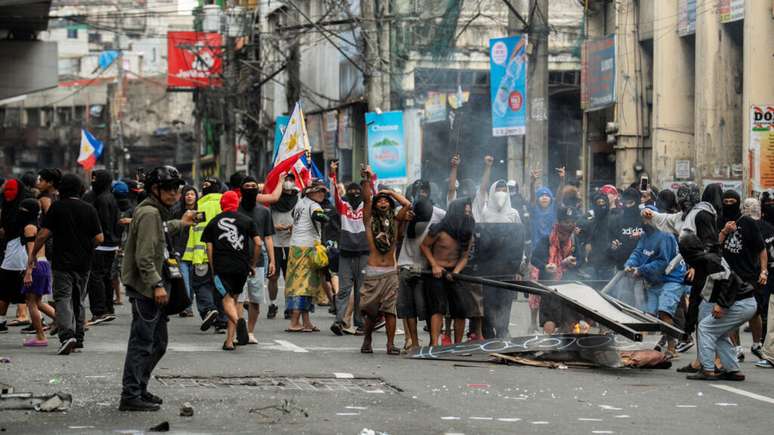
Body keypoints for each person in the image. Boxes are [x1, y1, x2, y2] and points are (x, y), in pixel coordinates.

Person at [119, 166, 194, 411]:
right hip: (148, 289)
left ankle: (139, 387)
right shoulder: (150, 213)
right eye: (169, 189)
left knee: (158, 343)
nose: (175, 194)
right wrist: (157, 285)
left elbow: (159, 234)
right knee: (142, 343)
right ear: (155, 190)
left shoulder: (154, 212)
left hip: (153, 288)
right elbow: (144, 257)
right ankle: (130, 395)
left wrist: (181, 223)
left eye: (177, 189)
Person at [27, 174, 103, 355]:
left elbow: (43, 234)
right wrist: (86, 248)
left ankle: (67, 335)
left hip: (62, 262)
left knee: (63, 299)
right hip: (84, 263)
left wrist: (33, 254)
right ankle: (79, 337)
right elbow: (99, 238)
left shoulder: (57, 208)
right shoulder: (89, 209)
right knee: (79, 299)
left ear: (62, 189)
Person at [680, 234, 757, 381]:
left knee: (705, 328)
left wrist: (721, 304)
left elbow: (729, 280)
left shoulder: (710, 260)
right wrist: (687, 329)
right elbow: (695, 299)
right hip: (744, 303)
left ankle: (707, 369)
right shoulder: (702, 264)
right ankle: (733, 370)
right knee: (717, 333)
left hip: (741, 302)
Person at [358, 166, 411, 354]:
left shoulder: (396, 221)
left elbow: (407, 205)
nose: (382, 202)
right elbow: (366, 199)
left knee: (390, 310)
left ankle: (390, 344)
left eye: (385, 200)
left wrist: (389, 191)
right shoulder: (369, 221)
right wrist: (366, 179)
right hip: (373, 272)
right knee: (371, 312)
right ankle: (367, 339)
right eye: (379, 200)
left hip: (390, 272)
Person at [624, 205, 688, 355]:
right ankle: (649, 347)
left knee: (664, 313)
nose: (644, 222)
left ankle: (672, 348)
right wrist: (629, 265)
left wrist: (640, 270)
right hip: (655, 280)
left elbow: (663, 262)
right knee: (649, 315)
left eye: (647, 218)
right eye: (643, 218)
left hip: (672, 279)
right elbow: (638, 252)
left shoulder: (665, 235)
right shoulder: (645, 235)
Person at [472, 156, 524, 339]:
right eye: (499, 189)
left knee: (505, 301)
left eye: (504, 189)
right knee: (488, 302)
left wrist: (519, 267)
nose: (501, 192)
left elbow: (519, 241)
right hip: (487, 267)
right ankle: (488, 332)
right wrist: (488, 167)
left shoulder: (514, 214)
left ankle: (503, 331)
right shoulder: (484, 210)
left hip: (508, 267)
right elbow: (482, 189)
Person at [202, 191, 260, 350]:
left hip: (222, 266)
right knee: (234, 300)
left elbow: (209, 248)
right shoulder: (247, 220)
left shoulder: (213, 222)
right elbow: (258, 243)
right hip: (242, 267)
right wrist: (252, 264)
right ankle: (229, 341)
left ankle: (239, 321)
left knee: (226, 299)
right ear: (236, 203)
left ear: (222, 204)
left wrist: (213, 269)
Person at [718, 190, 766, 362]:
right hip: (727, 276)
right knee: (731, 312)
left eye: (732, 201)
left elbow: (762, 248)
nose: (729, 204)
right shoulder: (719, 221)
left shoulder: (747, 222)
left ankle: (756, 345)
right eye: (726, 201)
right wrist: (724, 231)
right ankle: (737, 348)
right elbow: (713, 245)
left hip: (749, 274)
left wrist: (763, 270)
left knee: (754, 311)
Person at [397, 180, 445, 351]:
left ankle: (432, 342)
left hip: (423, 267)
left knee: (424, 307)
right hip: (405, 265)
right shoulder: (405, 212)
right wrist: (404, 218)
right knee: (408, 308)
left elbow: (450, 224)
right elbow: (398, 234)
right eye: (418, 190)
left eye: (424, 190)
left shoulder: (438, 213)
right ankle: (414, 342)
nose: (421, 194)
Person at [421, 198, 476, 346]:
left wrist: (456, 272)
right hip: (436, 272)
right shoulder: (440, 230)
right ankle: (434, 343)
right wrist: (434, 265)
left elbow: (464, 256)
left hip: (455, 272)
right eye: (465, 212)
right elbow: (424, 246)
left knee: (460, 309)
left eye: (469, 213)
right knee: (437, 308)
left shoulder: (466, 233)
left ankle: (458, 345)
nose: (468, 216)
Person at [329, 161, 370, 336]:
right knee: (344, 290)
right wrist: (333, 174)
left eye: (357, 191)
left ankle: (359, 322)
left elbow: (369, 196)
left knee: (361, 290)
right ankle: (339, 321)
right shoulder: (343, 206)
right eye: (351, 191)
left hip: (363, 253)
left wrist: (367, 178)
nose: (354, 193)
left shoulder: (366, 207)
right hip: (346, 254)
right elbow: (335, 195)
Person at [284, 180, 330, 332]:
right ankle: (294, 322)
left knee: (306, 285)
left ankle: (306, 321)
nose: (322, 194)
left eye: (323, 191)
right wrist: (326, 217)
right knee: (302, 286)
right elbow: (319, 216)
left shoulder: (300, 202)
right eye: (319, 191)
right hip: (306, 249)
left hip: (296, 247)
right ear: (310, 192)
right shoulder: (314, 206)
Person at [237, 176, 277, 344]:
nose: (251, 188)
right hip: (237, 261)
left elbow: (268, 237)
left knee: (255, 299)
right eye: (247, 186)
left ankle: (250, 331)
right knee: (238, 298)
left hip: (259, 261)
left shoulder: (264, 211)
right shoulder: (235, 209)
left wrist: (272, 261)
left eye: (254, 186)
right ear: (241, 189)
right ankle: (239, 331)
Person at [531, 206, 583, 334]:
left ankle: (566, 350)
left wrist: (573, 264)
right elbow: (534, 259)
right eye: (561, 233)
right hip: (549, 286)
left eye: (567, 234)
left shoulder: (574, 242)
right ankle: (549, 348)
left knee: (569, 320)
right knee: (549, 321)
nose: (564, 237)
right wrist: (545, 266)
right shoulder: (546, 240)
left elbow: (581, 260)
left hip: (568, 287)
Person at [183, 177, 225, 332]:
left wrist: (190, 256)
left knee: (201, 286)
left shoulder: (199, 206)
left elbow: (195, 231)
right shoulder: (224, 204)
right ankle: (222, 320)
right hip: (222, 256)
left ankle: (208, 310)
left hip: (202, 255)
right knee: (220, 288)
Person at [83, 169, 121, 324]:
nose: (92, 181)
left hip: (100, 244)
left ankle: (99, 311)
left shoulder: (100, 200)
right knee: (105, 276)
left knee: (96, 277)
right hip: (111, 244)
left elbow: (101, 222)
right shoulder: (111, 197)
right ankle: (108, 308)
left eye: (94, 178)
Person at [20, 198, 55, 346]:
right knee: (39, 302)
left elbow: (31, 251)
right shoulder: (40, 225)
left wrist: (28, 271)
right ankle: (65, 321)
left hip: (35, 266)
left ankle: (41, 337)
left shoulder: (29, 227)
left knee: (31, 302)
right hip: (43, 264)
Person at [268, 174, 298, 320]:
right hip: (274, 243)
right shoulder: (272, 198)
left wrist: (294, 228)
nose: (288, 183)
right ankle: (272, 304)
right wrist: (274, 227)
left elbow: (302, 221)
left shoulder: (298, 199)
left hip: (291, 243)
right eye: (286, 179)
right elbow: (263, 220)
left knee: (290, 277)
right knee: (273, 277)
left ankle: (289, 306)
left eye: (291, 180)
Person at [172, 185, 197, 317]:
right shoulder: (177, 211)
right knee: (185, 281)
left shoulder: (200, 212)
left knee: (193, 282)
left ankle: (188, 305)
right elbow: (173, 232)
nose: (189, 196)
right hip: (181, 251)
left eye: (192, 194)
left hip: (196, 253)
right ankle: (187, 307)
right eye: (187, 194)